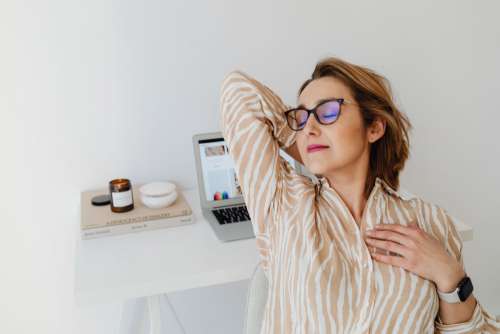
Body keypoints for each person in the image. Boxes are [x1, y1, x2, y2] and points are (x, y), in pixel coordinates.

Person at [219, 56, 500, 333]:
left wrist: (450, 276)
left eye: (327, 111)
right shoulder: (284, 204)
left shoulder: (429, 221)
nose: (310, 128)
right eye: (302, 118)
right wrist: (311, 148)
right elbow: (239, 92)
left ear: (374, 127)